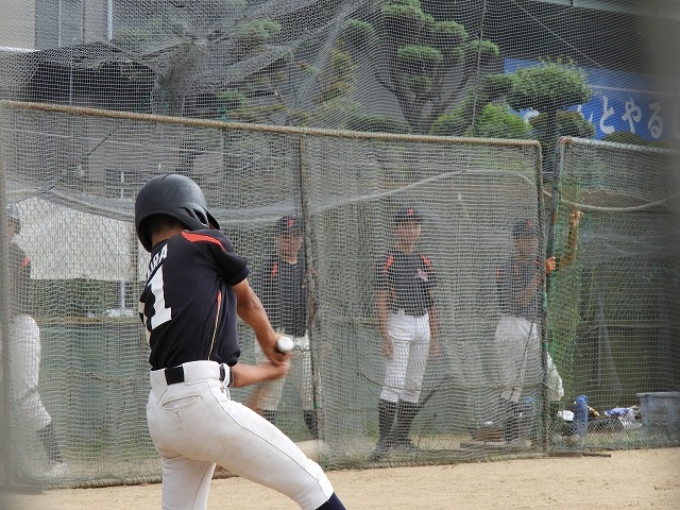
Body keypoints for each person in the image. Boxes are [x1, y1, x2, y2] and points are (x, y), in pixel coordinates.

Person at [134, 174, 346, 510]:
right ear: (190, 210)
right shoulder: (202, 240)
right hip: (201, 405)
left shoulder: (151, 284)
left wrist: (269, 371)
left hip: (163, 416)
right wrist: (270, 340)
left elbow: (212, 372)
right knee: (311, 483)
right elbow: (248, 302)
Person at [494, 208, 582, 444]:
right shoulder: (507, 266)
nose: (530, 242)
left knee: (553, 382)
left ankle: (546, 433)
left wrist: (573, 229)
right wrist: (540, 274)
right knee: (513, 385)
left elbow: (569, 259)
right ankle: (512, 439)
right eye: (525, 238)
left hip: (534, 328)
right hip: (511, 326)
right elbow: (517, 301)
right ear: (516, 241)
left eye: (533, 237)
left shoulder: (538, 263)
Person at [2, 203, 68, 479]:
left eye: (9, 224)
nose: (6, 228)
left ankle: (57, 462)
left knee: (27, 397)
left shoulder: (18, 256)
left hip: (19, 328)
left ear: (15, 229)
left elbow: (13, 301)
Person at [371, 206, 440, 460]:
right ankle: (383, 443)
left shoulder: (425, 261)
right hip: (398, 320)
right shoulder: (387, 260)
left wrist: (435, 336)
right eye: (406, 225)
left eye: (415, 226)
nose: (411, 230)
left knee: (414, 384)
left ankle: (401, 438)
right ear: (396, 229)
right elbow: (380, 300)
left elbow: (431, 301)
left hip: (422, 323)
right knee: (394, 382)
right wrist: (385, 335)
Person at [248, 215, 318, 438]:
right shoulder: (268, 268)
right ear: (276, 238)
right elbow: (255, 306)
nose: (291, 242)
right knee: (270, 396)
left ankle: (322, 444)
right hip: (274, 337)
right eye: (286, 237)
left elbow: (314, 304)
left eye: (295, 236)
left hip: (301, 336)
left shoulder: (307, 268)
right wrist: (268, 338)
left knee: (311, 394)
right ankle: (265, 443)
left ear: (302, 239)